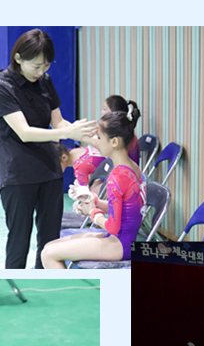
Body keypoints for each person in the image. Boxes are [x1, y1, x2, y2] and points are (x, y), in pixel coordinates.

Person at [0, 28, 96, 269]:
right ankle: (13, 284)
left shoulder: (45, 81)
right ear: (18, 58)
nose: (41, 72)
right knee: (18, 241)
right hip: (19, 175)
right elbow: (25, 133)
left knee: (50, 242)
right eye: (36, 66)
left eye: (46, 66)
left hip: (49, 171)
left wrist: (83, 133)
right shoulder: (1, 87)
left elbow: (58, 122)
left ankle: (45, 283)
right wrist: (67, 133)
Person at [41, 109, 144, 268]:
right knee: (49, 246)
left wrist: (92, 212)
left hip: (119, 245)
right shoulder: (132, 167)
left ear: (114, 142)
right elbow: (124, 210)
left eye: (99, 138)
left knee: (48, 254)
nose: (95, 142)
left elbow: (113, 227)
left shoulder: (117, 177)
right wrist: (94, 200)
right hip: (122, 240)